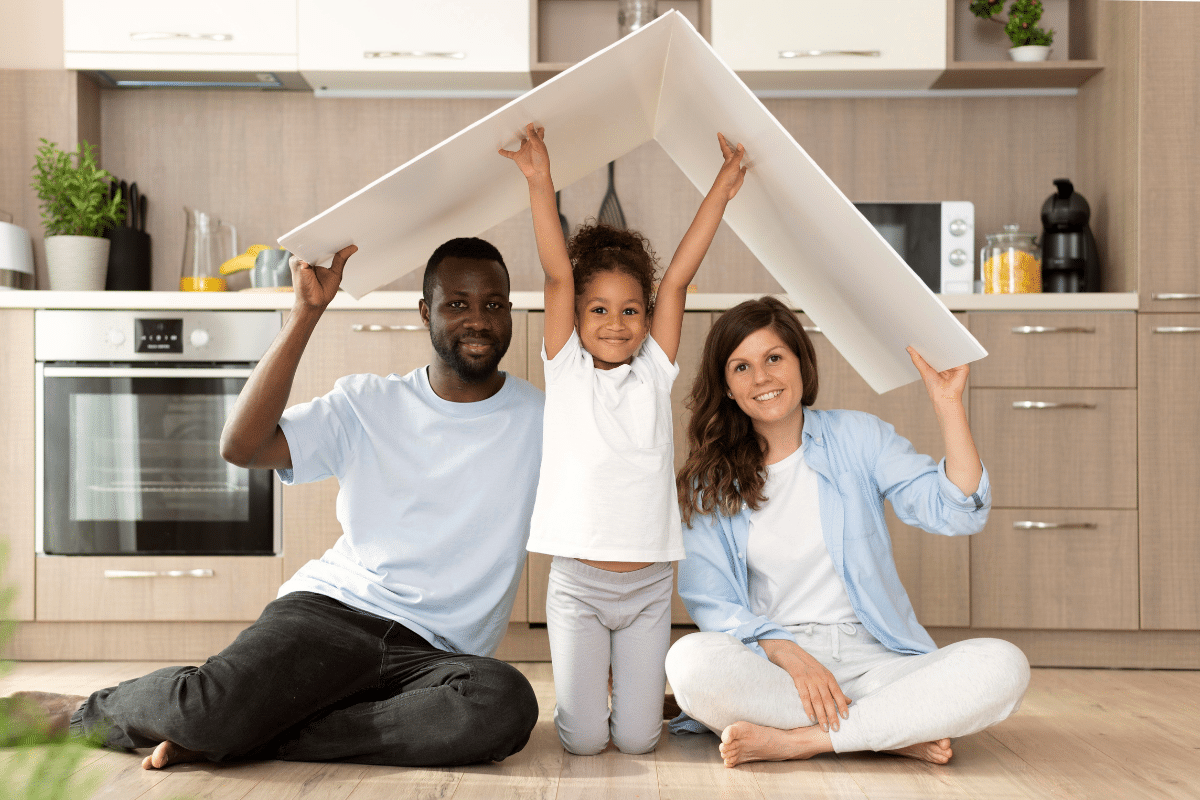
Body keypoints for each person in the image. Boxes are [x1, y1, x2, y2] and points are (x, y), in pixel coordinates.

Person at [6, 237, 545, 768]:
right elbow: (242, 447)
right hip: (331, 617)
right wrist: (306, 312)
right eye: (457, 304)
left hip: (438, 657)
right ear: (425, 312)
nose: (478, 319)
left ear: (511, 314)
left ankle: (260, 735)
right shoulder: (367, 402)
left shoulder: (541, 419)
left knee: (503, 704)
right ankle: (80, 713)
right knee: (207, 710)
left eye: (494, 304)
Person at [664, 296, 1030, 768]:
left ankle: (801, 741)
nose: (762, 378)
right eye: (741, 367)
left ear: (801, 362)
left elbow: (957, 511)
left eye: (774, 357)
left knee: (1003, 664)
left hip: (878, 660)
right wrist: (790, 655)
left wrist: (947, 405)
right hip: (776, 665)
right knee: (690, 662)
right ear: (728, 388)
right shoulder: (707, 482)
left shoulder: (859, 437)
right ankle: (889, 731)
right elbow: (712, 602)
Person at [497, 124, 747, 756]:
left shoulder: (654, 372)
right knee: (581, 742)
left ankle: (637, 692)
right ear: (577, 317)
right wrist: (539, 182)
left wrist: (721, 188)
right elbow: (557, 275)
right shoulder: (567, 369)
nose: (615, 322)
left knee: (638, 741)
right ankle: (596, 686)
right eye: (598, 309)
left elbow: (679, 280)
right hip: (578, 585)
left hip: (645, 588)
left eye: (630, 310)